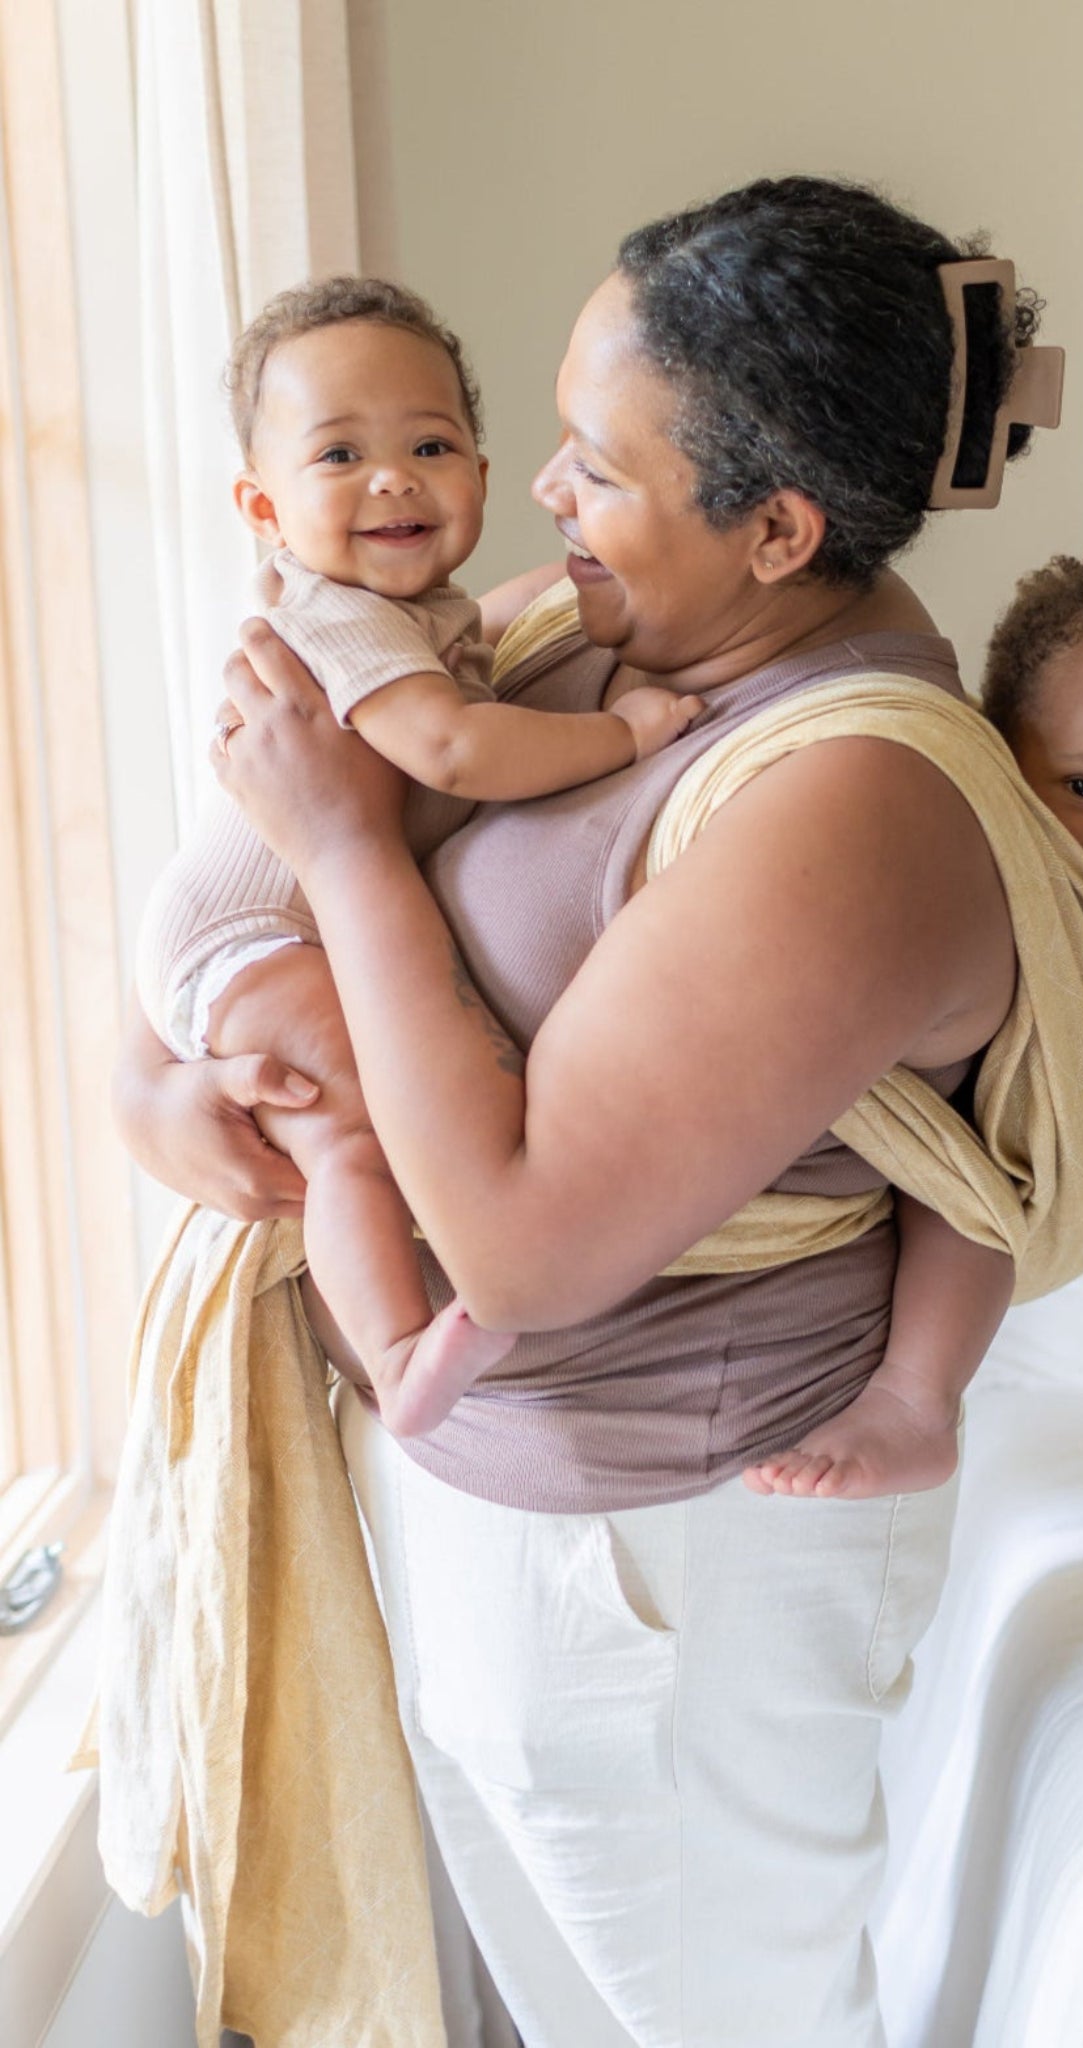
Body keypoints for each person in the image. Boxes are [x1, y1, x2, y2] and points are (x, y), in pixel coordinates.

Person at [117, 175, 1071, 2046]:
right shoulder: (591, 633)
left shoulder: (850, 797)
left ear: (778, 527)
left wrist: (336, 846)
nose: (540, 497)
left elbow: (522, 1247)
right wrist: (172, 1088)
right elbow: (254, 890)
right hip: (503, 1519)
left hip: (681, 1557)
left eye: (591, 462)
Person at [135, 277, 700, 1438]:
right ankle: (394, 1352)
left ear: (481, 478)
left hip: (268, 932)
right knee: (353, 1119)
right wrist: (623, 734)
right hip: (244, 936)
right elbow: (448, 746)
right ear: (262, 504)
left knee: (356, 1115)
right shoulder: (334, 614)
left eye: (429, 444)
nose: (391, 478)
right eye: (338, 455)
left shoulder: (442, 616)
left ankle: (390, 1336)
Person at [747, 539, 1083, 1500]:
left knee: (972, 1193)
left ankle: (917, 1401)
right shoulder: (965, 849)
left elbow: (1066, 1128)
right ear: (992, 757)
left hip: (995, 1170)